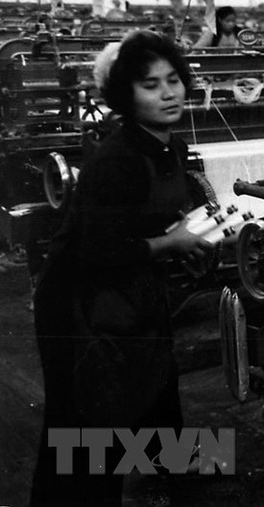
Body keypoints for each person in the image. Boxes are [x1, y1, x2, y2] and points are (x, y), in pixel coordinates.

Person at [30, 31, 215, 506]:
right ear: (125, 96)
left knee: (153, 387)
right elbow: (97, 250)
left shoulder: (166, 146)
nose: (168, 92)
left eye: (173, 80)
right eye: (151, 85)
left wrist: (187, 235)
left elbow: (150, 217)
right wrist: (169, 241)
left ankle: (166, 471)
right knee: (86, 427)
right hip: (79, 301)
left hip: (128, 292)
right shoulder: (118, 158)